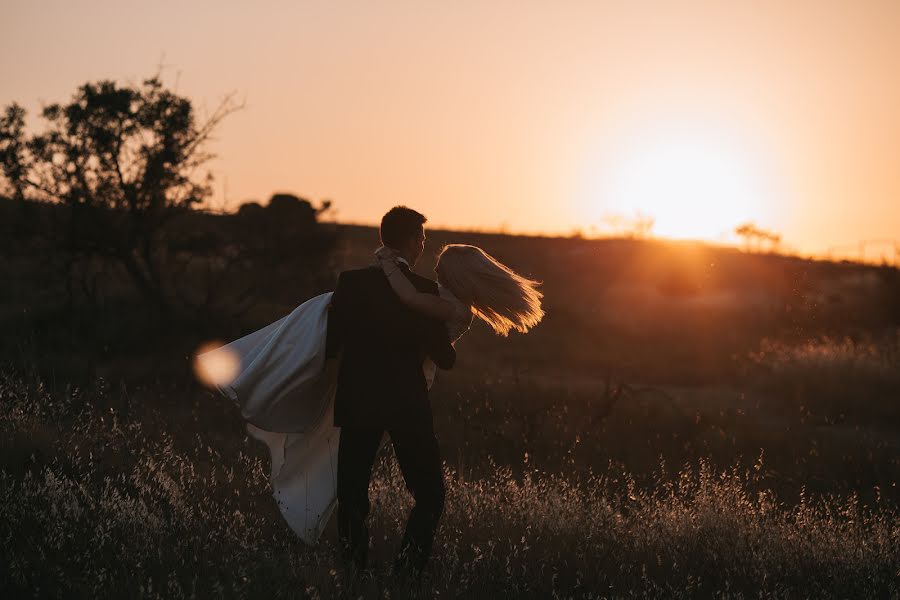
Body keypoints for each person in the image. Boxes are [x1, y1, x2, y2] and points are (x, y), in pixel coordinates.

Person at [197, 206, 544, 577]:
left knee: (352, 496)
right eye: (422, 239)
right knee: (429, 495)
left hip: (357, 400)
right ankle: (406, 574)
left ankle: (352, 573)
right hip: (406, 404)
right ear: (413, 241)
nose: (424, 246)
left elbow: (330, 346)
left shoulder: (350, 283)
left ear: (383, 238)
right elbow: (444, 358)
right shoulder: (426, 293)